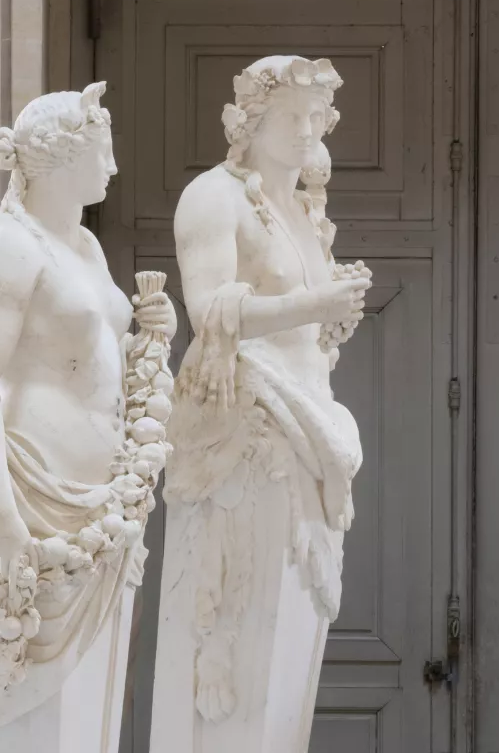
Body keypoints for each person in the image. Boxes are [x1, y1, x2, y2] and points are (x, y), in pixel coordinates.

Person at [0, 84, 175, 753]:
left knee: (84, 719)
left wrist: (154, 331)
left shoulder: (86, 249)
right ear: (63, 157)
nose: (114, 167)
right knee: (15, 721)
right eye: (102, 150)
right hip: (33, 496)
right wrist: (1, 514)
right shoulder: (11, 245)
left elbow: (93, 365)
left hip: (103, 511)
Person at [149, 56, 370, 752]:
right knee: (241, 637)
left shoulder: (301, 210)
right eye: (291, 117)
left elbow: (305, 326)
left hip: (310, 423)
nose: (307, 131)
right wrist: (316, 302)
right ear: (252, 122)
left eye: (316, 118)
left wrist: (333, 314)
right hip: (249, 430)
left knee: (289, 641)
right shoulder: (215, 197)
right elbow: (207, 304)